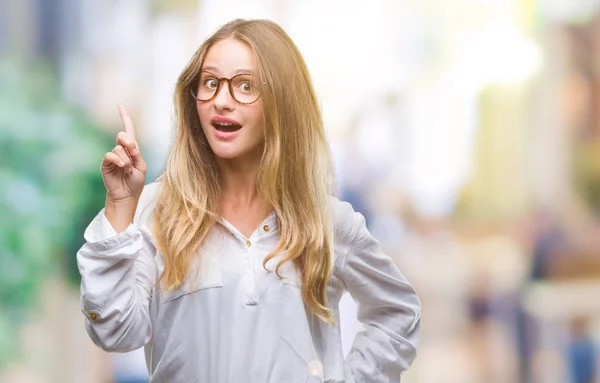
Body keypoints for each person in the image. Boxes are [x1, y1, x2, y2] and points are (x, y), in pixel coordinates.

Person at [76, 18, 420, 383]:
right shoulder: (155, 211)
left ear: (281, 101)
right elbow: (114, 331)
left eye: (245, 86)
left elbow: (397, 312)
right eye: (210, 83)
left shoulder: (327, 222)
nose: (222, 101)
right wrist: (119, 206)